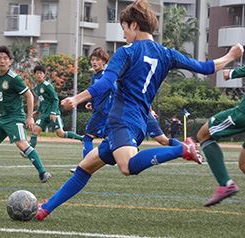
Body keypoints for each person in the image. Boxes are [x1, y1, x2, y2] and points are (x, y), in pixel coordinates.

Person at [35, 0, 243, 220]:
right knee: (85, 168)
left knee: (128, 166)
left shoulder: (126, 51)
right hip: (139, 122)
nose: (123, 34)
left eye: (124, 28)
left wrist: (76, 98)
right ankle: (45, 209)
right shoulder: (167, 54)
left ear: (134, 25)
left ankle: (182, 149)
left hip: (121, 118)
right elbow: (206, 67)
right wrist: (231, 55)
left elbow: (106, 83)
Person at [0, 45, 51, 183]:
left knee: (23, 145)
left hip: (15, 118)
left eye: (5, 58)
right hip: (3, 118)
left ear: (10, 61)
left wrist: (30, 117)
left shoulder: (14, 78)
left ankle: (43, 173)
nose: (2, 61)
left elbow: (29, 96)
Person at [197, 65, 245, 207]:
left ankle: (225, 184)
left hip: (242, 114)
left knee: (204, 135)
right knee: (243, 164)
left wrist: (232, 73)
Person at [70, 47, 114, 173]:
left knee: (87, 138)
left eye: (98, 60)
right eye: (93, 60)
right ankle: (128, 154)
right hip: (101, 111)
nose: (94, 62)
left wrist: (113, 107)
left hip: (102, 112)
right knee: (109, 139)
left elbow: (115, 90)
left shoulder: (106, 76)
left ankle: (85, 166)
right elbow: (95, 92)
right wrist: (90, 102)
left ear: (104, 62)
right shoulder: (95, 76)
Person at [28, 65, 83, 149]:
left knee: (61, 134)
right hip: (45, 114)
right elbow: (42, 100)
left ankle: (82, 139)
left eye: (41, 73)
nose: (39, 75)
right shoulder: (36, 88)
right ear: (34, 75)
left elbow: (55, 99)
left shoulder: (47, 85)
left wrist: (53, 113)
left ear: (44, 75)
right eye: (37, 73)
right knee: (35, 130)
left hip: (53, 113)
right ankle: (29, 151)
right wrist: (38, 110)